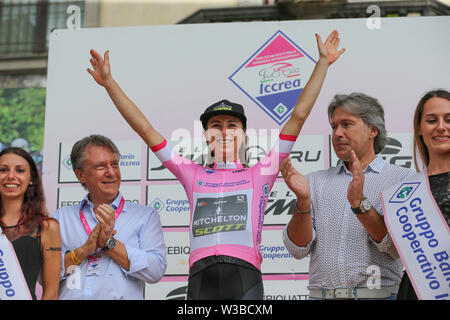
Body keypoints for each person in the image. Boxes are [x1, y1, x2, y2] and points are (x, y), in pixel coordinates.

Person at [87, 30, 345, 299]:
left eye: (232, 125)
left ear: (244, 135)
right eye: (216, 126)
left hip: (245, 278)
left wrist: (323, 63)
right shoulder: (191, 173)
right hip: (201, 279)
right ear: (206, 135)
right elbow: (145, 129)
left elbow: (298, 117)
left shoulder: (261, 173)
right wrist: (109, 84)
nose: (224, 132)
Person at [282, 93, 415, 300]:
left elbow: (394, 247)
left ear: (372, 130)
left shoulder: (401, 179)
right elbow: (297, 249)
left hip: (379, 296)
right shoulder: (314, 182)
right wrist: (303, 202)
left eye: (347, 124)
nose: (337, 133)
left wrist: (359, 203)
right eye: (334, 127)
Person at [53, 135, 166, 300]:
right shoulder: (61, 218)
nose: (111, 172)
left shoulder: (145, 216)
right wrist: (83, 250)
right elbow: (45, 276)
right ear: (81, 174)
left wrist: (109, 243)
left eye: (114, 164)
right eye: (100, 166)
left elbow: (155, 271)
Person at [394, 89, 449, 300]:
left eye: (449, 119)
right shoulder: (406, 190)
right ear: (419, 128)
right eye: (432, 120)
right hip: (418, 290)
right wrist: (359, 203)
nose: (441, 127)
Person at [0, 147, 61, 300]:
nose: (11, 176)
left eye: (20, 170)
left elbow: (51, 293)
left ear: (31, 178)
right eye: (3, 170)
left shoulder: (47, 228)